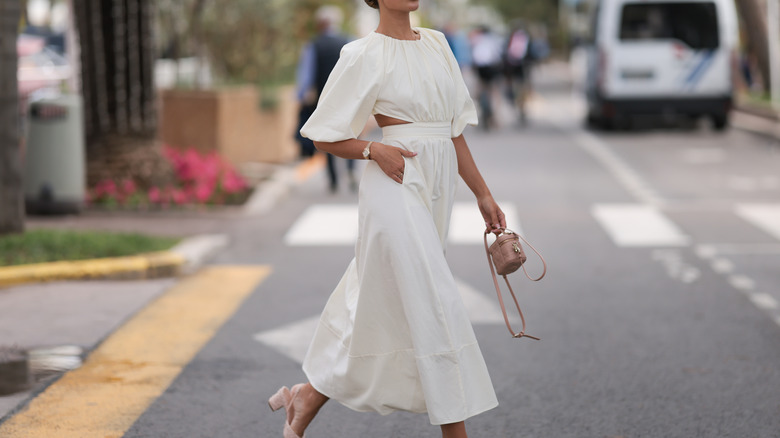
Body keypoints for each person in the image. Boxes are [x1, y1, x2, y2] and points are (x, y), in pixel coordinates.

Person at [269, 0, 506, 437]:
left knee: (382, 299)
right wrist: (372, 148)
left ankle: (307, 395)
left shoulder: (437, 45)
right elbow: (325, 135)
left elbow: (453, 132)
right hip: (393, 186)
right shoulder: (362, 54)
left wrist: (484, 194)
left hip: (436, 187)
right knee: (436, 303)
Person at [295, 6, 356, 192]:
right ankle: (351, 171)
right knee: (352, 133)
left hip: (324, 98)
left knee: (328, 138)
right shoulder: (349, 42)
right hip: (347, 98)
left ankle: (333, 180)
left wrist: (300, 96)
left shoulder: (313, 45)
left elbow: (307, 75)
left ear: (321, 23)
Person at [470, 25, 504, 130]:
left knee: (481, 89)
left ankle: (482, 110)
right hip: (492, 68)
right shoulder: (493, 40)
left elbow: (473, 55)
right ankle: (494, 117)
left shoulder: (476, 39)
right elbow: (498, 55)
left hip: (481, 68)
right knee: (494, 92)